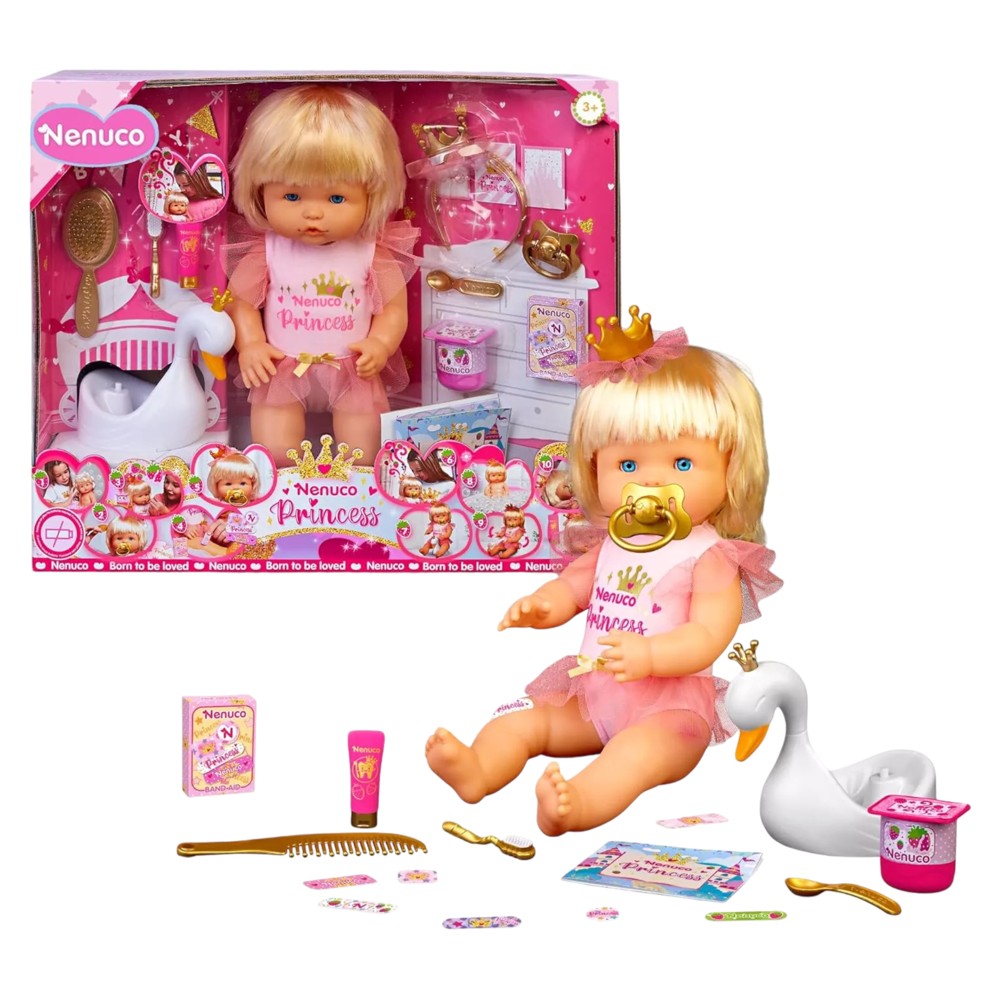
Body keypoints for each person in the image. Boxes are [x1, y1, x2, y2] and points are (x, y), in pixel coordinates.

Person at [426, 310, 781, 835]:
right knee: (528, 717)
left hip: (671, 713)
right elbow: (575, 587)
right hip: (594, 694)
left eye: (682, 464)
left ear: (731, 468)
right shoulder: (614, 538)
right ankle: (479, 767)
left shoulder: (709, 554)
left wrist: (651, 656)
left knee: (633, 756)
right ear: (596, 468)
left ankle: (577, 805)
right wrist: (544, 605)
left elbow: (709, 635)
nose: (652, 482)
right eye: (628, 466)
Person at [226, 84, 418, 463]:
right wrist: (251, 344)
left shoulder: (370, 251)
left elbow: (393, 309)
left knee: (363, 450)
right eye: (292, 196)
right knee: (275, 448)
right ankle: (283, 483)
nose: (313, 213)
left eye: (336, 198)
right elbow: (240, 302)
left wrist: (380, 344)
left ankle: (357, 486)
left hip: (351, 369)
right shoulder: (268, 249)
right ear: (260, 191)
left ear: (372, 196)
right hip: (282, 365)